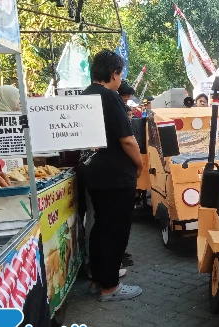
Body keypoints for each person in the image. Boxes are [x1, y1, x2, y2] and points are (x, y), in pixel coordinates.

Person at [81, 50, 143, 302]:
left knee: (100, 227)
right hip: (115, 175)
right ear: (114, 73)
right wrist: (138, 166)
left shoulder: (85, 95)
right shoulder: (109, 97)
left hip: (92, 171)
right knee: (115, 230)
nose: (120, 80)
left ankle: (98, 279)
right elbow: (127, 140)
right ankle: (110, 287)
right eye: (120, 74)